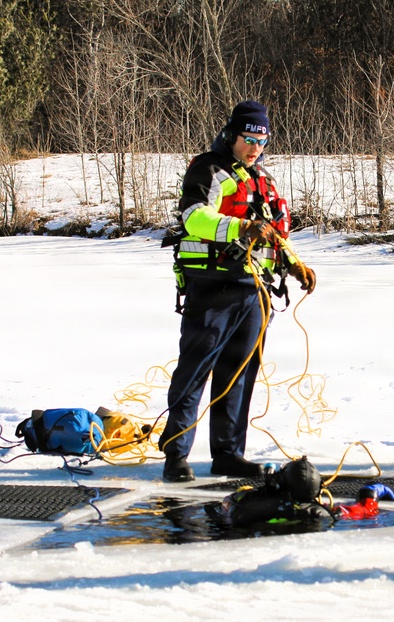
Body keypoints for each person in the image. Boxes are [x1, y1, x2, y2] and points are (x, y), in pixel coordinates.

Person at [159, 100, 316, 483]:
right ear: (232, 135)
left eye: (262, 140)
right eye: (248, 139)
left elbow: (276, 233)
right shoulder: (207, 168)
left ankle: (228, 454)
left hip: (254, 290)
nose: (254, 147)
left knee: (240, 374)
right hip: (212, 287)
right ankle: (176, 455)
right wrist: (240, 227)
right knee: (195, 372)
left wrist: (292, 263)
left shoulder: (264, 180)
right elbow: (193, 216)